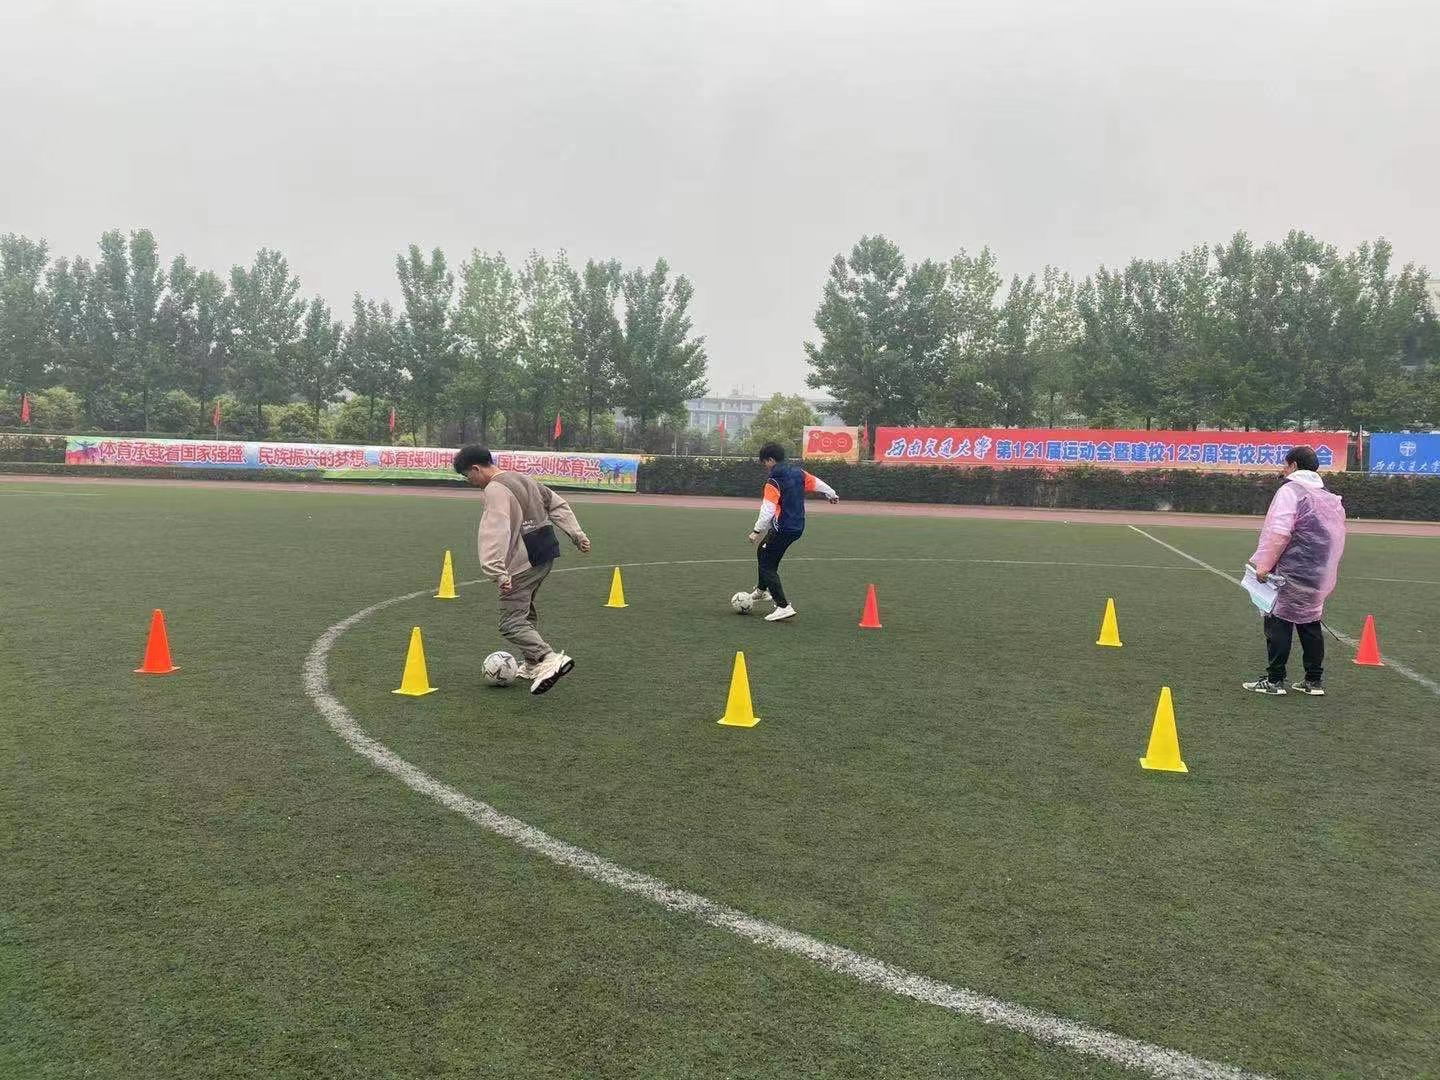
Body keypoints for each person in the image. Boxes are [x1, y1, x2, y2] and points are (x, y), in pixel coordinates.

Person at [453, 445, 591, 695]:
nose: (469, 481)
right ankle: (531, 664)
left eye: (466, 476)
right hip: (545, 554)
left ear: (475, 468)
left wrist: (497, 571)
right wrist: (577, 534)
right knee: (524, 611)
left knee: (510, 622)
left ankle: (548, 658)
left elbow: (495, 530)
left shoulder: (495, 489)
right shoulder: (523, 478)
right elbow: (557, 504)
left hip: (523, 562)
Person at [1242, 445, 1347, 697]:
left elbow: (1279, 532)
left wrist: (1264, 565)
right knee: (1310, 622)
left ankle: (1275, 680)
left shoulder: (1291, 491)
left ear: (1294, 466)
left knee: (1278, 620)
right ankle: (1314, 681)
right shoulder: (1326, 496)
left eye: (1285, 464)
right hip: (1318, 572)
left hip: (1291, 569)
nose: (1283, 469)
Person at [746, 442, 839, 622]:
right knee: (763, 551)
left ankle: (783, 606)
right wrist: (831, 494)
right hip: (797, 526)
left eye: (764, 462)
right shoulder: (798, 472)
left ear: (771, 460)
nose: (764, 466)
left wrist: (756, 531)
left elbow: (767, 510)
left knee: (767, 564)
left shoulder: (773, 481)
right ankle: (761, 591)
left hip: (783, 528)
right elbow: (817, 483)